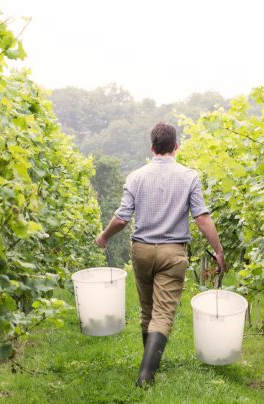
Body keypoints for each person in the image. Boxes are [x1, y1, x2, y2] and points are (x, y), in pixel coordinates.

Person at [95, 122, 226, 387]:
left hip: (141, 251)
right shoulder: (189, 177)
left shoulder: (136, 176)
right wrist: (219, 250)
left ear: (152, 147)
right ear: (176, 147)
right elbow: (201, 218)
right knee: (163, 313)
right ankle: (146, 375)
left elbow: (121, 219)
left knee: (148, 311)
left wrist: (105, 236)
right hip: (173, 253)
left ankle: (149, 366)